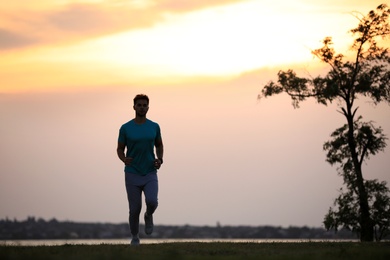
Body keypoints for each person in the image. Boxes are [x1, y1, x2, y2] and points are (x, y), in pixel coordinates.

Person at [116, 94, 164, 246]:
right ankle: (135, 237)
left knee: (152, 201)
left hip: (150, 171)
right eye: (139, 105)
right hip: (132, 173)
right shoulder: (125, 128)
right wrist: (124, 159)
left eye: (144, 105)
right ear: (134, 107)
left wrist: (160, 159)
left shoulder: (154, 126)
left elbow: (159, 145)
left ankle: (149, 215)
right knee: (134, 209)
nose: (142, 107)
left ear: (148, 107)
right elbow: (119, 149)